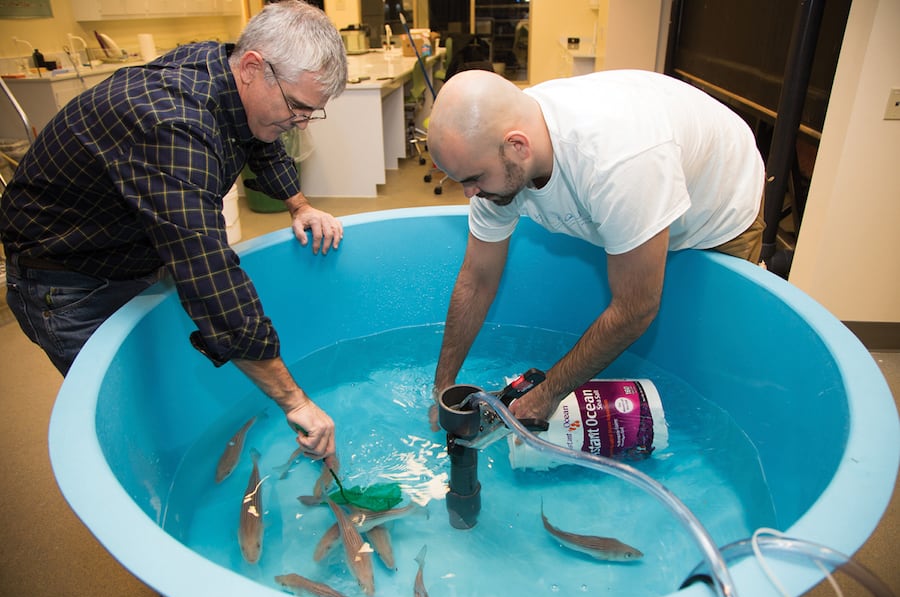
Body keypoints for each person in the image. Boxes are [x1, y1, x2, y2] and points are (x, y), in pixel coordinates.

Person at [0, 1, 348, 461]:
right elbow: (211, 279)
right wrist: (296, 401)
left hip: (132, 248)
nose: (301, 123)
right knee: (132, 418)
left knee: (168, 384)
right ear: (252, 67)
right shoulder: (171, 124)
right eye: (299, 108)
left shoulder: (224, 72)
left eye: (312, 112)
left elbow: (259, 136)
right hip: (66, 277)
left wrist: (297, 204)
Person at [426, 69, 765, 426]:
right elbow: (477, 279)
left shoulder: (616, 159)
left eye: (474, 179)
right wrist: (443, 389)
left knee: (709, 362)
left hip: (716, 210)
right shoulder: (495, 158)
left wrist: (547, 394)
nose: (469, 193)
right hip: (639, 193)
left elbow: (636, 309)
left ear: (518, 146)